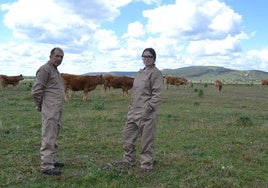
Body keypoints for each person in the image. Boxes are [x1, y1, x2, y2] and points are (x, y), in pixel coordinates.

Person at [116, 48, 164, 173]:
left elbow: (157, 95)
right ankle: (128, 160)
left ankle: (146, 165)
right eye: (144, 56)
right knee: (127, 136)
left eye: (149, 56)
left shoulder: (156, 73)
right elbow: (135, 92)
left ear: (154, 58)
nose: (146, 59)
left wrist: (147, 109)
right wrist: (131, 107)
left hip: (146, 112)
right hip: (133, 111)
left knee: (146, 140)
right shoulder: (140, 73)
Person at [31, 47, 66, 175]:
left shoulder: (55, 70)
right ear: (50, 56)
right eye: (57, 56)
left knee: (54, 134)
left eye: (61, 57)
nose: (59, 59)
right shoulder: (44, 69)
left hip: (56, 109)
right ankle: (46, 166)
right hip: (50, 108)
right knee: (48, 135)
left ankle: (51, 160)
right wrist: (39, 104)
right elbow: (36, 90)